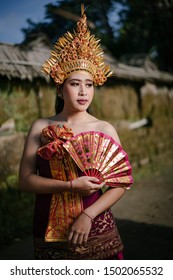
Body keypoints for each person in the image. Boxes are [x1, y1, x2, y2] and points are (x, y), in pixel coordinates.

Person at [19, 4, 133, 260]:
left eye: (89, 84)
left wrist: (87, 215)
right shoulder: (41, 126)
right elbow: (25, 181)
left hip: (95, 224)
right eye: (75, 84)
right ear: (60, 90)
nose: (83, 91)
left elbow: (120, 184)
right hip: (47, 224)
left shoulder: (104, 128)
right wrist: (70, 185)